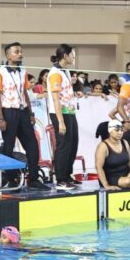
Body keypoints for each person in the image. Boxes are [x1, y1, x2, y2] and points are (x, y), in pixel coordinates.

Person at [0, 42, 47, 190]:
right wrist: (1, 117)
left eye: (21, 51)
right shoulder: (0, 72)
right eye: (16, 52)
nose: (20, 54)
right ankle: (11, 179)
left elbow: (25, 93)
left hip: (23, 112)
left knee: (32, 145)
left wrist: (30, 112)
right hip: (8, 112)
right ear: (8, 55)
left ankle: (33, 179)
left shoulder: (23, 71)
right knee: (8, 146)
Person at [47, 44, 80, 191]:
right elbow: (55, 99)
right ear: (65, 56)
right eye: (72, 55)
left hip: (70, 112)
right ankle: (60, 179)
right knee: (63, 146)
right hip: (60, 113)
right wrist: (60, 122)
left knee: (73, 144)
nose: (74, 58)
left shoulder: (65, 71)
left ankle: (67, 176)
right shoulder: (55, 73)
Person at [95, 119, 130, 190]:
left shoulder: (124, 142)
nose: (120, 133)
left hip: (125, 173)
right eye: (117, 130)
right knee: (128, 182)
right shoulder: (103, 146)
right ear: (110, 131)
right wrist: (106, 185)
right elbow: (98, 167)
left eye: (121, 130)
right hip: (110, 176)